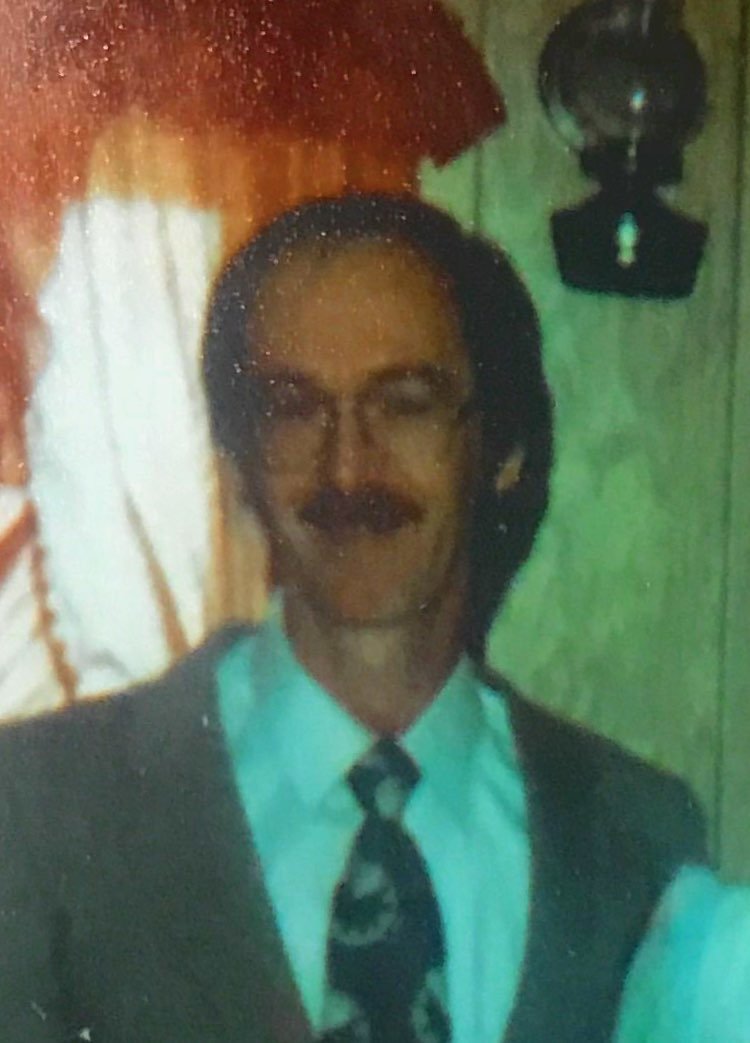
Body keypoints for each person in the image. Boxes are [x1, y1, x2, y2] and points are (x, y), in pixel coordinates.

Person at [0, 192, 729, 1042]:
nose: (347, 466)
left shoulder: (637, 839)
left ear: (501, 449)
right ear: (236, 466)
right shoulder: (40, 810)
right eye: (293, 407)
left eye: (406, 401)